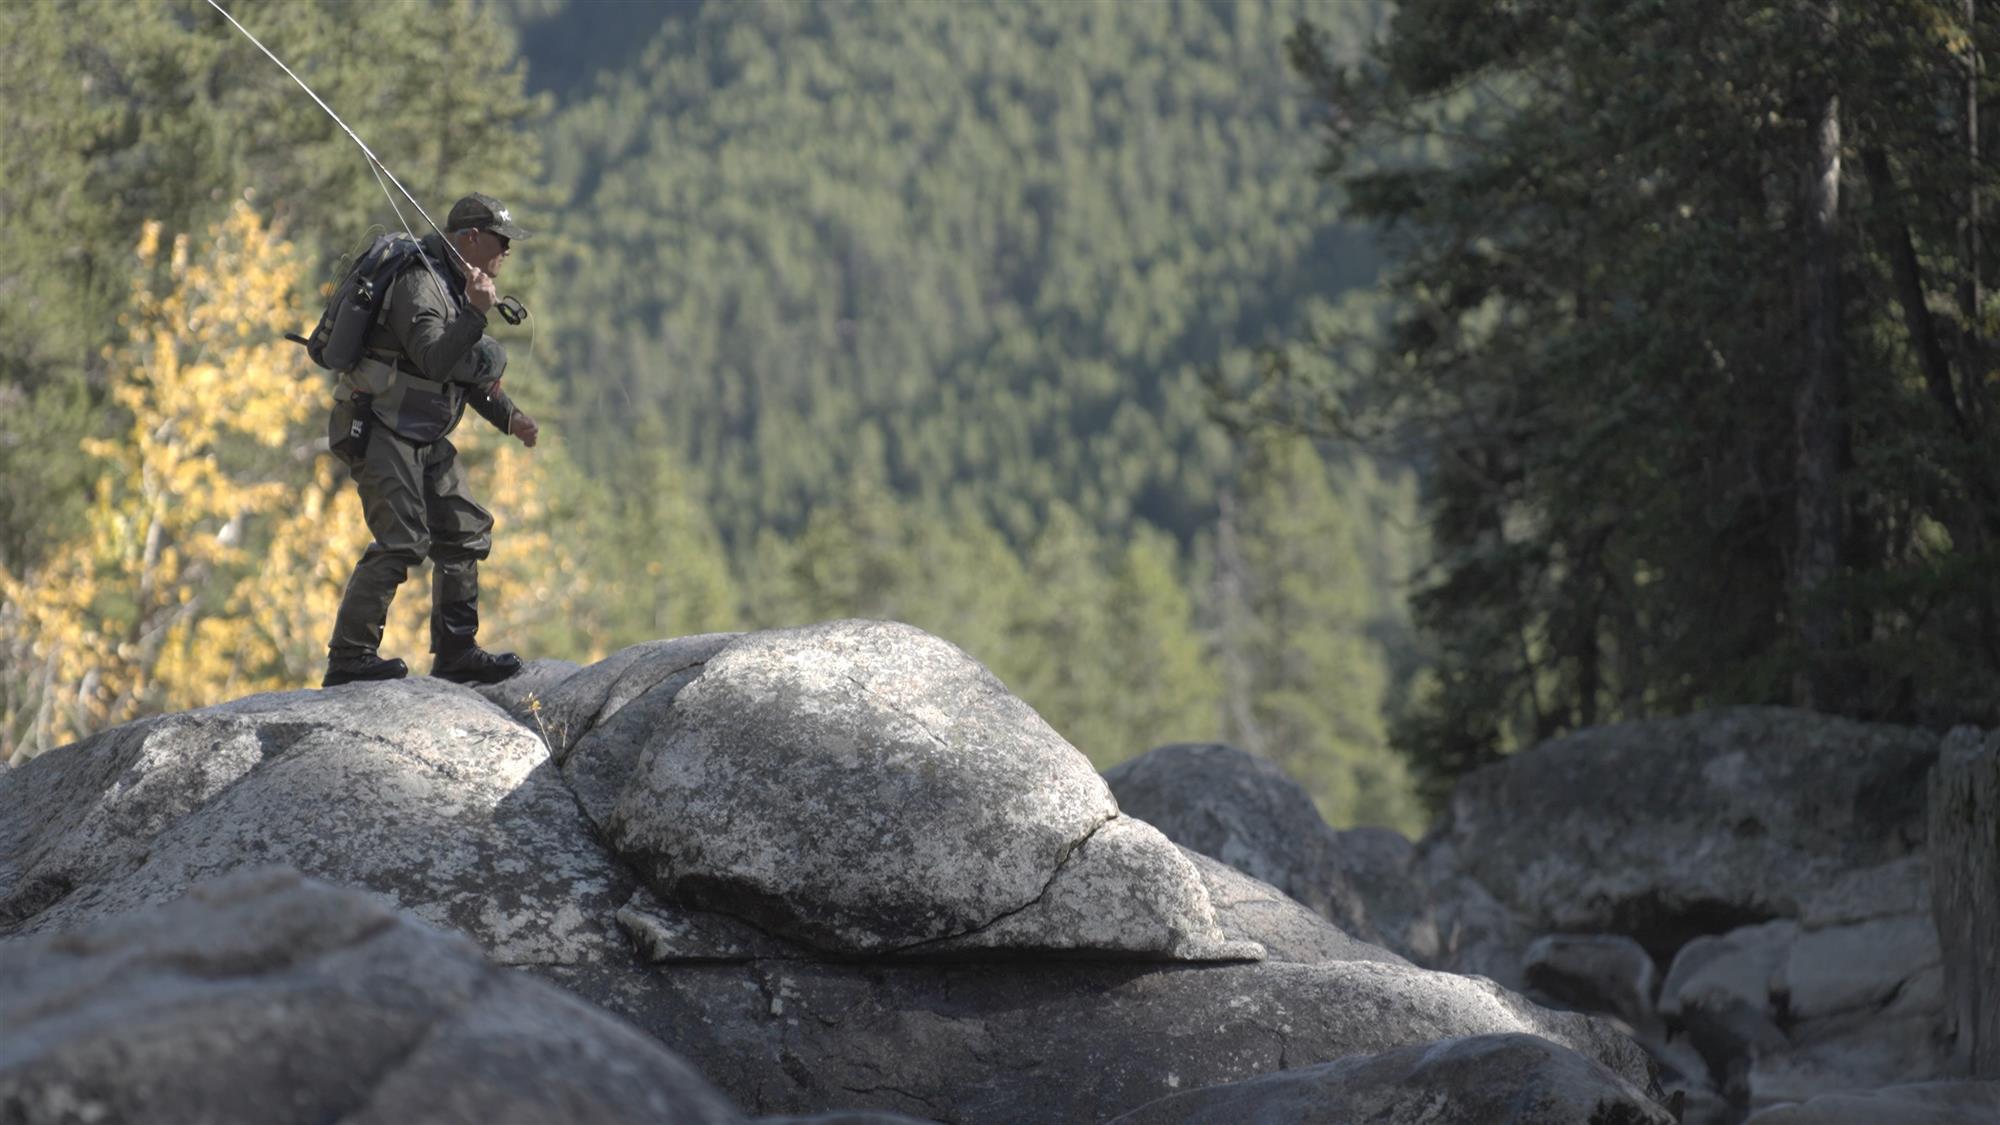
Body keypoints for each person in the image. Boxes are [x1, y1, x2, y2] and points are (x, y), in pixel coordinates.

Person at [321, 192, 540, 688]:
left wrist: (512, 419)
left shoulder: (461, 284)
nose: (507, 251)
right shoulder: (420, 283)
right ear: (471, 238)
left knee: (464, 530)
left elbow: (465, 376)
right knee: (401, 541)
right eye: (501, 241)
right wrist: (477, 315)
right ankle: (349, 657)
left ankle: (457, 652)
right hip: (381, 426)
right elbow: (434, 359)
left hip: (423, 431)